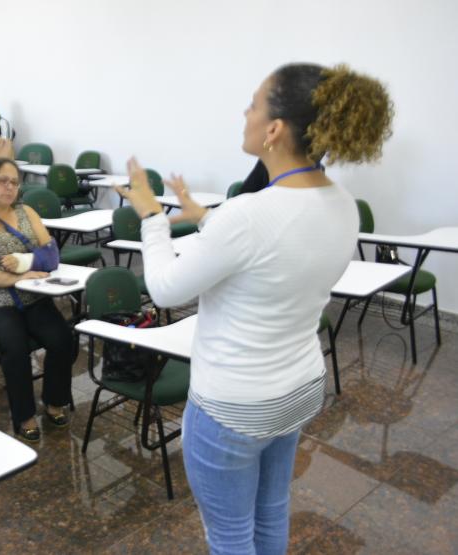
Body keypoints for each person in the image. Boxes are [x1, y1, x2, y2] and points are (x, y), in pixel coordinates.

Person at [116, 63, 393, 554]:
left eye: (253, 104)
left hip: (234, 406)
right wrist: (207, 221)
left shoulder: (250, 215)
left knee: (230, 538)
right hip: (298, 389)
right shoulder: (343, 203)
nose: (244, 113)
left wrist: (151, 216)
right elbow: (265, 255)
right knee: (270, 513)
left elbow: (163, 289)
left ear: (274, 129)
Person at [0, 158, 73, 442]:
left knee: (62, 339)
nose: (9, 187)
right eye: (2, 181)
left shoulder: (26, 212)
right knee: (16, 348)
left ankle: (54, 400)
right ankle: (24, 415)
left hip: (33, 295)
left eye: (14, 182)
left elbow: (51, 255)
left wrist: (28, 263)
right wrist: (17, 276)